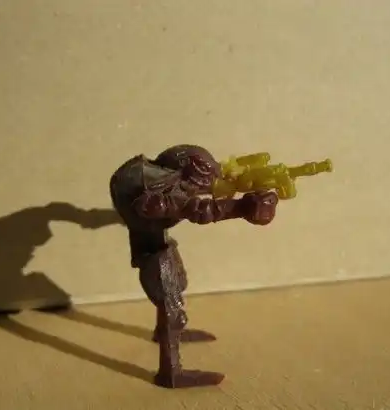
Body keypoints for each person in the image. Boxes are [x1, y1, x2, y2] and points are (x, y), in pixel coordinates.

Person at [109, 144, 278, 388]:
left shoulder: (165, 184)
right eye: (198, 184)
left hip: (159, 245)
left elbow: (194, 202)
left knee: (178, 287)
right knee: (172, 309)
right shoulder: (153, 196)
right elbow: (196, 210)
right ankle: (170, 373)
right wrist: (240, 208)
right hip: (152, 253)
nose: (199, 190)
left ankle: (164, 331)